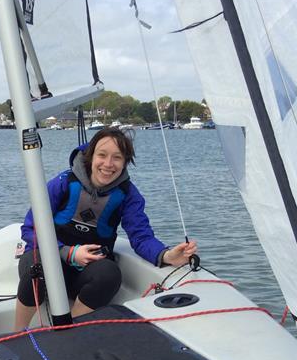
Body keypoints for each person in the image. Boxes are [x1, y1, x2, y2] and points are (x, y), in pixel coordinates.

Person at [14, 127, 197, 329]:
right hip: (50, 260)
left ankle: (65, 330)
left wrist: (167, 256)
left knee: (110, 274)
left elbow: (141, 236)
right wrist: (67, 252)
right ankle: (17, 331)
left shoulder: (128, 195)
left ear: (125, 162)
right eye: (102, 155)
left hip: (84, 273)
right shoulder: (62, 183)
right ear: (91, 156)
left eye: (117, 158)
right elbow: (31, 228)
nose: (108, 164)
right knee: (36, 265)